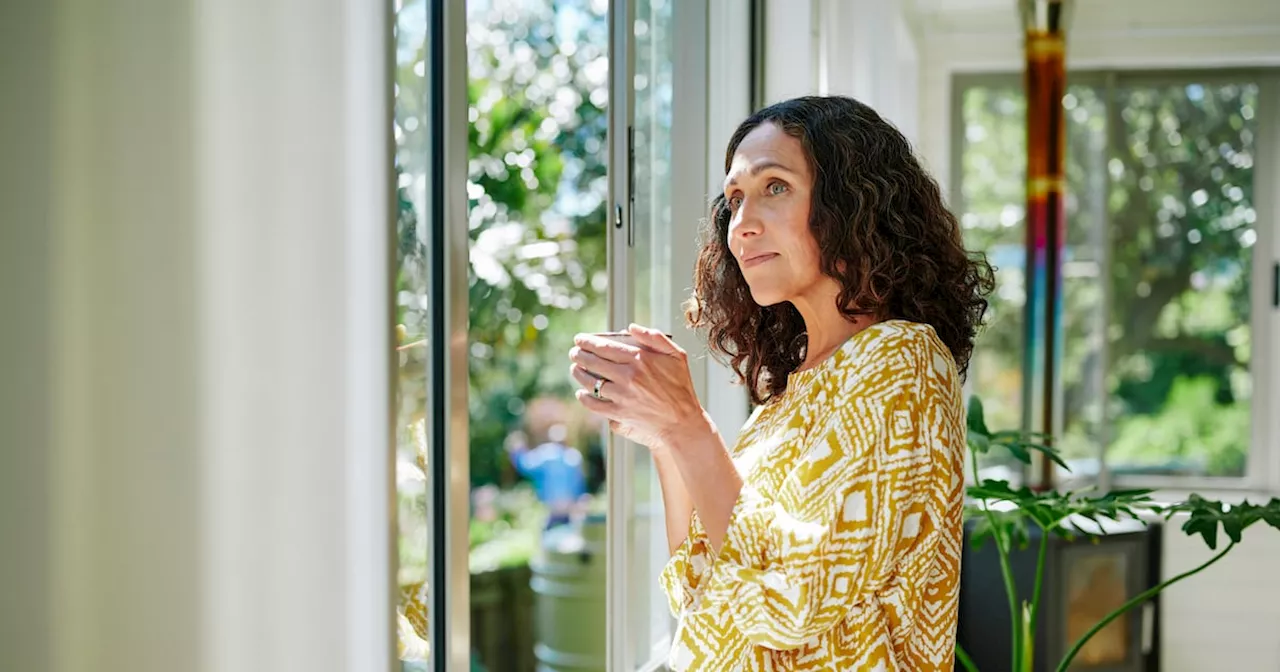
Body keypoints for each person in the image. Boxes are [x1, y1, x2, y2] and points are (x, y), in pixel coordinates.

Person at [567, 96, 994, 670]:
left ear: (854, 203)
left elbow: (792, 604)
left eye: (775, 186)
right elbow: (702, 594)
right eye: (735, 198)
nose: (741, 224)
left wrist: (688, 426)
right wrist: (666, 438)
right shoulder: (784, 402)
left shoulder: (903, 362)